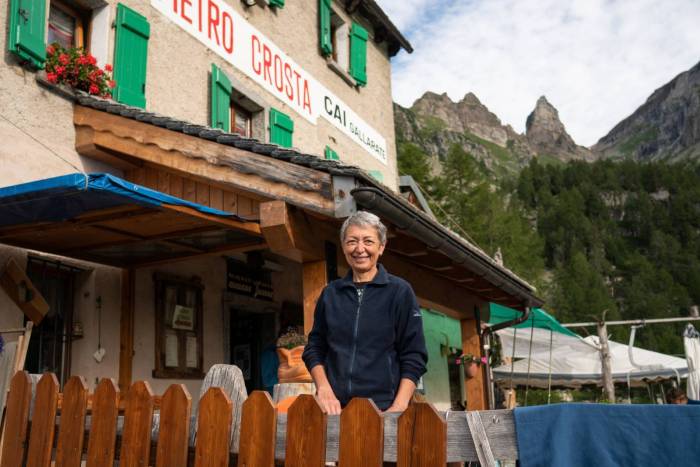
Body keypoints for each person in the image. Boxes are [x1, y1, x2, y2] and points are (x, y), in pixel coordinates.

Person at [302, 211, 428, 414]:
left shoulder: (399, 292)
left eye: (368, 241)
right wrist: (324, 389)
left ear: (381, 247)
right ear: (343, 247)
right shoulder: (330, 294)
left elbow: (414, 355)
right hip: (335, 410)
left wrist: (398, 406)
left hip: (384, 409)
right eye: (352, 241)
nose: (360, 249)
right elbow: (314, 348)